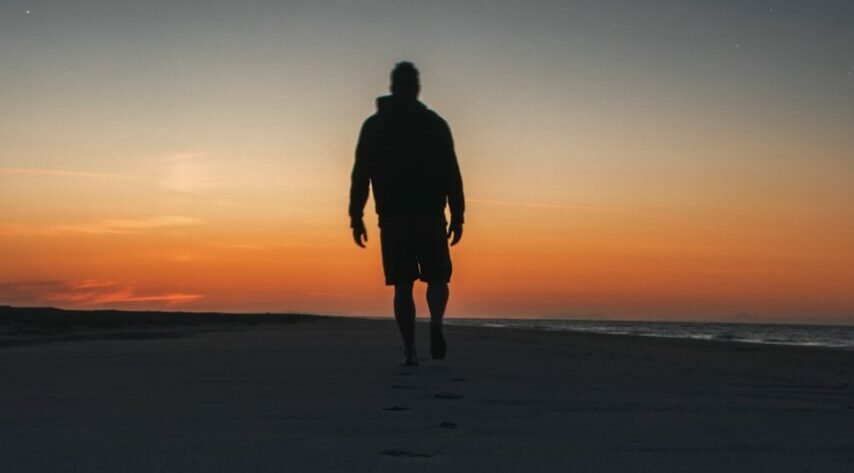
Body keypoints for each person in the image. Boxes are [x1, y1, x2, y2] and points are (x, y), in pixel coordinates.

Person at [349, 61, 465, 366]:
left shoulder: (374, 126)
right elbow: (452, 173)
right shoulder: (435, 124)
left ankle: (411, 351)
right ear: (416, 88)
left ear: (392, 88)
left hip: (394, 216)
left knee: (403, 285)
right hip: (429, 213)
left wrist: (356, 215)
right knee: (437, 277)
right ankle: (436, 323)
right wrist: (458, 213)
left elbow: (361, 174)